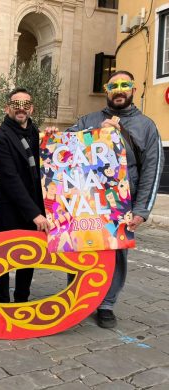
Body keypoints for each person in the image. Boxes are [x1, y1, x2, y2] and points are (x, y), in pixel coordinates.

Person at [65, 70, 164, 328]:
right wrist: (96, 131)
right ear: (107, 90)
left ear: (133, 90)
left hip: (121, 205)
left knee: (115, 254)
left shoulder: (146, 126)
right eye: (114, 85)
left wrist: (142, 209)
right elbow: (64, 149)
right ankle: (75, 298)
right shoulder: (89, 119)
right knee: (78, 248)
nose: (119, 90)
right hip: (85, 200)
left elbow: (152, 169)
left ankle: (106, 303)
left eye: (125, 85)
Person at [0, 88, 49, 303]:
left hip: (36, 209)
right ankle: (3, 303)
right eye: (16, 105)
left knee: (29, 256)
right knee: (5, 259)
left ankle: (22, 299)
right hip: (11, 210)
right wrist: (35, 214)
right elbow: (10, 180)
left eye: (25, 105)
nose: (20, 109)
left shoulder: (36, 134)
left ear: (31, 108)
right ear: (7, 108)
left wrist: (53, 139)